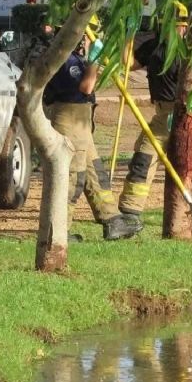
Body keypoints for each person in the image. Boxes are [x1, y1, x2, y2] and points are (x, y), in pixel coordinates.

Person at [45, 21, 143, 241]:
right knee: (72, 178)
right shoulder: (64, 58)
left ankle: (111, 220)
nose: (90, 39)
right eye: (89, 34)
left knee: (95, 173)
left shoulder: (75, 57)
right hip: (70, 121)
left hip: (81, 123)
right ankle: (60, 230)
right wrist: (95, 61)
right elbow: (86, 87)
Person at [118, 1, 192, 223]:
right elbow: (128, 63)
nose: (180, 30)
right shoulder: (154, 45)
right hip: (162, 115)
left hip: (188, 113)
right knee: (143, 158)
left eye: (182, 25)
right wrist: (129, 33)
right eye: (174, 25)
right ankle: (130, 213)